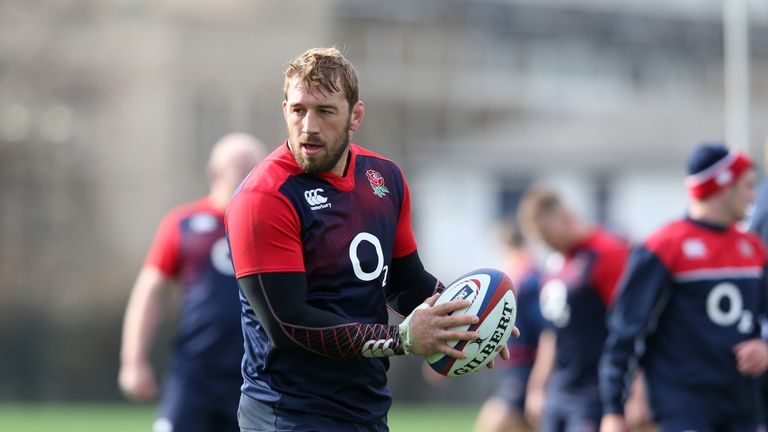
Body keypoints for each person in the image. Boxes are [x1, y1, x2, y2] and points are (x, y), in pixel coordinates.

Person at [225, 47, 516, 432]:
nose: (309, 126)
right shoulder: (263, 197)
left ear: (354, 116)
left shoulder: (383, 178)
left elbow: (405, 281)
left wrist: (465, 320)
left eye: (325, 111)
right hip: (288, 413)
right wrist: (402, 339)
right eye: (298, 110)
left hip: (366, 409)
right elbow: (286, 323)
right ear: (285, 111)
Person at [599, 143, 768, 432]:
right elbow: (626, 331)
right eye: (748, 186)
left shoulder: (752, 248)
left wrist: (764, 345)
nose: (754, 196)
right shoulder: (663, 248)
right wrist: (614, 408)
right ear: (724, 187)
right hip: (685, 405)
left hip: (743, 405)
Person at [119, 133, 268, 432]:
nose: (246, 176)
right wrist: (133, 360)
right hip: (195, 375)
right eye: (238, 168)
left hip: (259, 376)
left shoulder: (275, 225)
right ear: (214, 172)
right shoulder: (184, 223)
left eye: (254, 168)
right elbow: (149, 290)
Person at [517, 187, 629, 432]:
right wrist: (537, 388)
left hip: (595, 390)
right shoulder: (555, 263)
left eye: (546, 233)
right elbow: (552, 331)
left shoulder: (608, 252)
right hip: (560, 388)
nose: (545, 242)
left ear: (564, 217)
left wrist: (633, 391)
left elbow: (630, 325)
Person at [473, 220, 545, 432]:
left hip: (524, 365)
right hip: (514, 364)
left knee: (492, 422)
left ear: (504, 243)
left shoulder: (524, 275)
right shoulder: (520, 272)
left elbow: (543, 327)